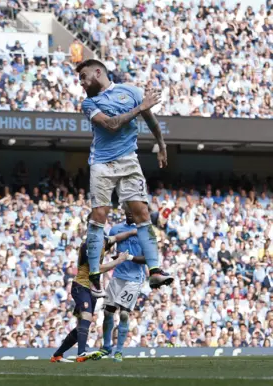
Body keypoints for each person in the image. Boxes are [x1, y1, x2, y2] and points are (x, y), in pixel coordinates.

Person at [75, 59, 172, 297]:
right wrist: (140, 107)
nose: (82, 83)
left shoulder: (130, 91)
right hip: (102, 163)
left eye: (84, 77)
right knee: (99, 214)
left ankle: (155, 271)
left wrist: (161, 144)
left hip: (129, 160)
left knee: (141, 212)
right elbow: (111, 125)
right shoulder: (89, 103)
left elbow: (149, 118)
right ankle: (94, 275)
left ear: (98, 72)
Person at [50, 215, 137, 363]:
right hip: (81, 286)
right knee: (86, 318)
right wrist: (118, 260)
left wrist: (133, 232)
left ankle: (57, 355)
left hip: (91, 290)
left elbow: (116, 238)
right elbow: (96, 269)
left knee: (81, 327)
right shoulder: (87, 245)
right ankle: (81, 353)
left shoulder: (103, 240)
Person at [95, 204, 148, 362]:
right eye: (129, 212)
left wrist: (129, 258)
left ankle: (119, 351)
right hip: (118, 276)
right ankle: (106, 346)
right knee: (107, 312)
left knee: (124, 313)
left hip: (134, 279)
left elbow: (148, 258)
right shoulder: (116, 229)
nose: (131, 214)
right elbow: (107, 246)